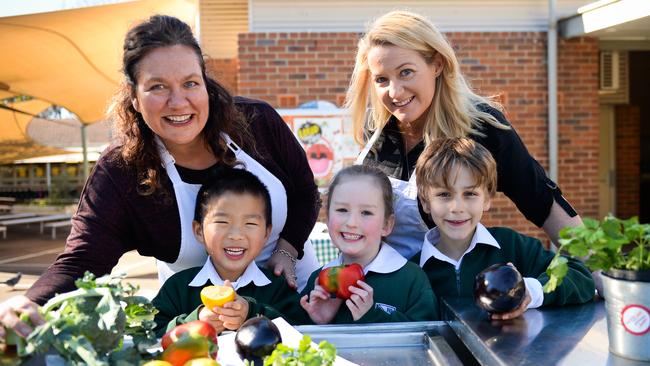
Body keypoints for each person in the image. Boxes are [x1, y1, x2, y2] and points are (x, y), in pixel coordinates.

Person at [0, 15, 320, 340]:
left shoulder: (257, 123)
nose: (178, 102)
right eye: (157, 87)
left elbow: (306, 192)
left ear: (206, 84)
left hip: (294, 297)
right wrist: (29, 303)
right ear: (135, 97)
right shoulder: (120, 171)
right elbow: (83, 259)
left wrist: (287, 249)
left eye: (190, 83)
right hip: (197, 321)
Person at [348, 10, 582, 260]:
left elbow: (542, 200)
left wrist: (599, 270)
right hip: (372, 286)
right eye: (382, 79)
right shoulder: (374, 129)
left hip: (442, 286)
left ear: (437, 64)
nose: (394, 92)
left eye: (406, 72)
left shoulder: (480, 126)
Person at [411, 138, 594, 320]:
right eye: (444, 194)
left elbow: (580, 276)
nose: (457, 207)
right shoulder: (413, 272)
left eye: (470, 194)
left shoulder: (512, 246)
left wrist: (530, 291)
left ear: (488, 198)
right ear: (425, 201)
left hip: (510, 348)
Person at [153, 169, 308, 336]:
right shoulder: (177, 288)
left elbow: (301, 331)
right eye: (222, 222)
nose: (236, 235)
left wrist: (251, 313)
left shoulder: (277, 287)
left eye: (250, 223)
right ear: (199, 231)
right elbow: (150, 335)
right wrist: (194, 322)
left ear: (266, 233)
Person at [300, 165, 438, 324]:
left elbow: (427, 334)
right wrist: (317, 321)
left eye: (366, 212)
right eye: (342, 210)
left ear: (387, 224)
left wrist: (373, 316)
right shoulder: (318, 280)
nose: (351, 223)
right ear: (327, 217)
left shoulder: (412, 279)